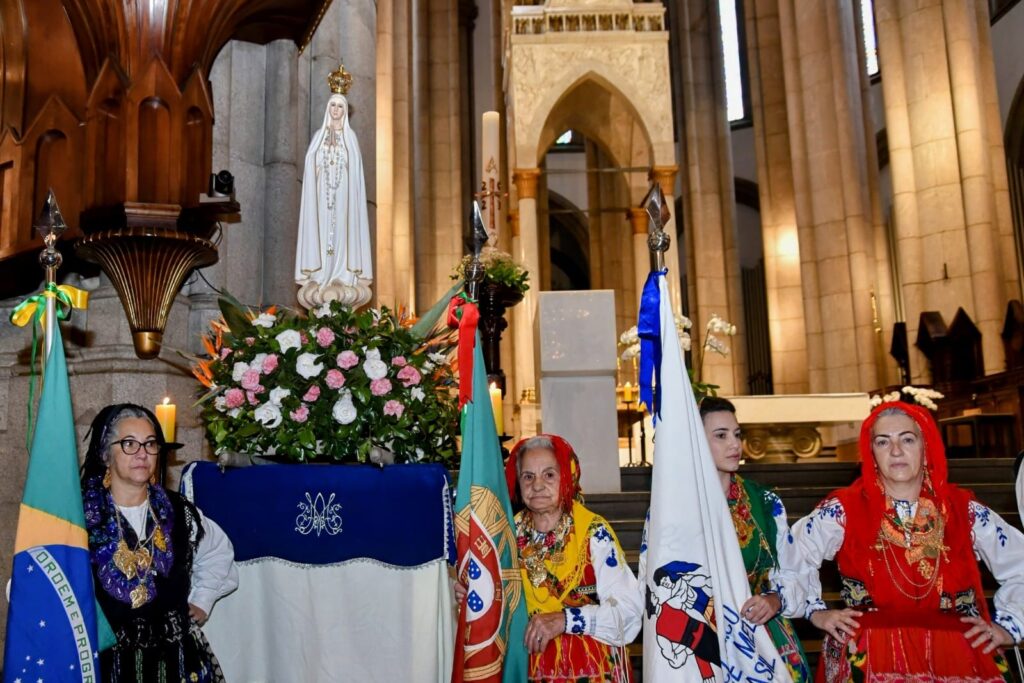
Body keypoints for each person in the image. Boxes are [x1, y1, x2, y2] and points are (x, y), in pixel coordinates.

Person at [784, 401, 1024, 682]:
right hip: (870, 651)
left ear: (926, 449)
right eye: (883, 442)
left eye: (907, 439)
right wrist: (815, 612)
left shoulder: (963, 511)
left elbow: (1019, 563)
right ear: (871, 453)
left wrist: (1010, 626)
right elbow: (792, 554)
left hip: (956, 655)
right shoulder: (842, 510)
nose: (896, 451)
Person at [458, 435, 643, 681]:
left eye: (549, 475)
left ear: (568, 477)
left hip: (592, 668)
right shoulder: (505, 535)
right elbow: (500, 607)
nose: (537, 486)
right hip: (522, 666)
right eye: (528, 476)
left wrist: (565, 620)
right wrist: (475, 593)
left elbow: (628, 614)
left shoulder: (594, 533)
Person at [81, 404, 238, 682]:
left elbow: (218, 552)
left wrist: (202, 600)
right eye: (129, 443)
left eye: (150, 444)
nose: (142, 453)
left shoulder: (178, 511)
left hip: (175, 661)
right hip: (106, 663)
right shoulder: (79, 516)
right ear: (106, 454)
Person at [698, 396, 812, 682]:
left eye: (737, 434)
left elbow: (796, 571)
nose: (735, 444)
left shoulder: (765, 502)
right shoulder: (673, 509)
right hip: (702, 638)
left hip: (763, 634)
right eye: (721, 436)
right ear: (695, 441)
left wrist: (774, 599)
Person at [294, 86, 373, 298]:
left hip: (344, 197)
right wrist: (322, 154)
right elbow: (311, 163)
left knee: (341, 233)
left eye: (340, 106)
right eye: (333, 106)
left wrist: (341, 154)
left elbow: (355, 169)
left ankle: (342, 274)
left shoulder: (350, 138)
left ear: (345, 111)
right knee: (321, 231)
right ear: (328, 109)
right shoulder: (319, 136)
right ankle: (320, 275)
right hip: (322, 196)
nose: (336, 110)